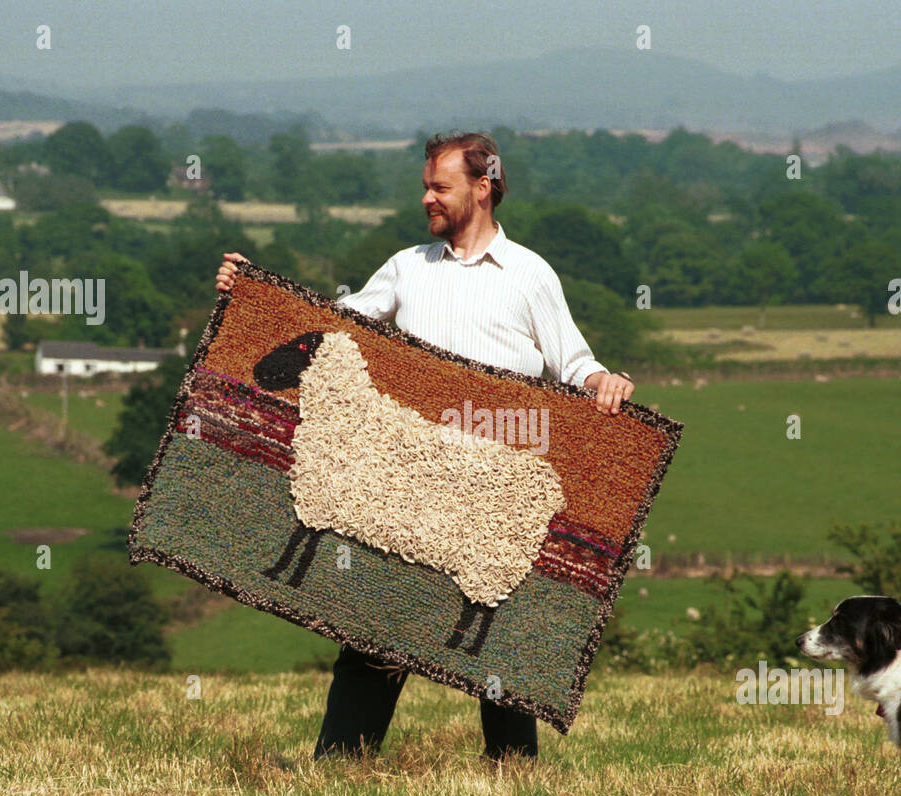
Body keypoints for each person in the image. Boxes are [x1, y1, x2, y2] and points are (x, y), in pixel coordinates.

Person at [215, 131, 634, 762]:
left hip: (490, 483)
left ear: (483, 186)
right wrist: (252, 295)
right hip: (409, 484)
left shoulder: (530, 275)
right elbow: (334, 325)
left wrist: (601, 380)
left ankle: (512, 778)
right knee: (376, 625)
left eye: (440, 187)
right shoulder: (407, 267)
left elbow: (572, 359)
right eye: (425, 187)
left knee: (499, 638)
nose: (427, 199)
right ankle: (339, 766)